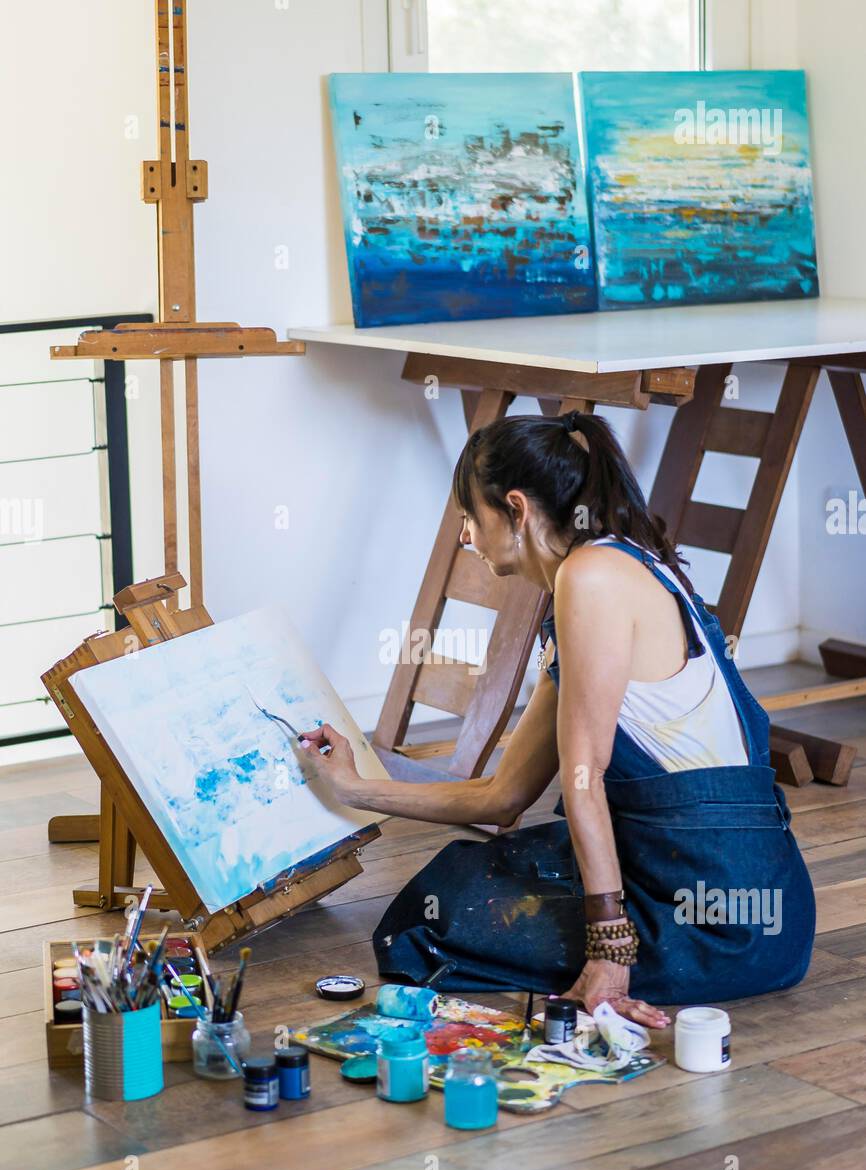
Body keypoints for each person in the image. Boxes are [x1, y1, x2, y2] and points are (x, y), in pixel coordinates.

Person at [299, 411, 816, 1029]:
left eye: (471, 517)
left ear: (515, 508)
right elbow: (501, 797)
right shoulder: (627, 562)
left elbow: (584, 779)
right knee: (471, 872)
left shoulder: (589, 577)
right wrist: (355, 786)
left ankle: (635, 952)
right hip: (774, 913)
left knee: (438, 914)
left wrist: (610, 954)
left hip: (717, 922)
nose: (466, 536)